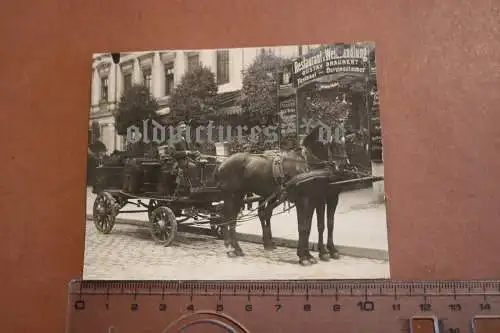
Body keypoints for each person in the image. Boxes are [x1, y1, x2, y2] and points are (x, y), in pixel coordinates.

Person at [171, 121, 201, 194]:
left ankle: (201, 184)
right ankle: (192, 187)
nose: (184, 129)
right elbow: (172, 153)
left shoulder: (187, 139)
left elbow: (191, 150)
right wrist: (185, 152)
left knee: (203, 164)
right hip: (178, 162)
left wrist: (196, 152)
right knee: (192, 166)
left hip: (188, 160)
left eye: (185, 127)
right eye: (182, 128)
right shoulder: (173, 139)